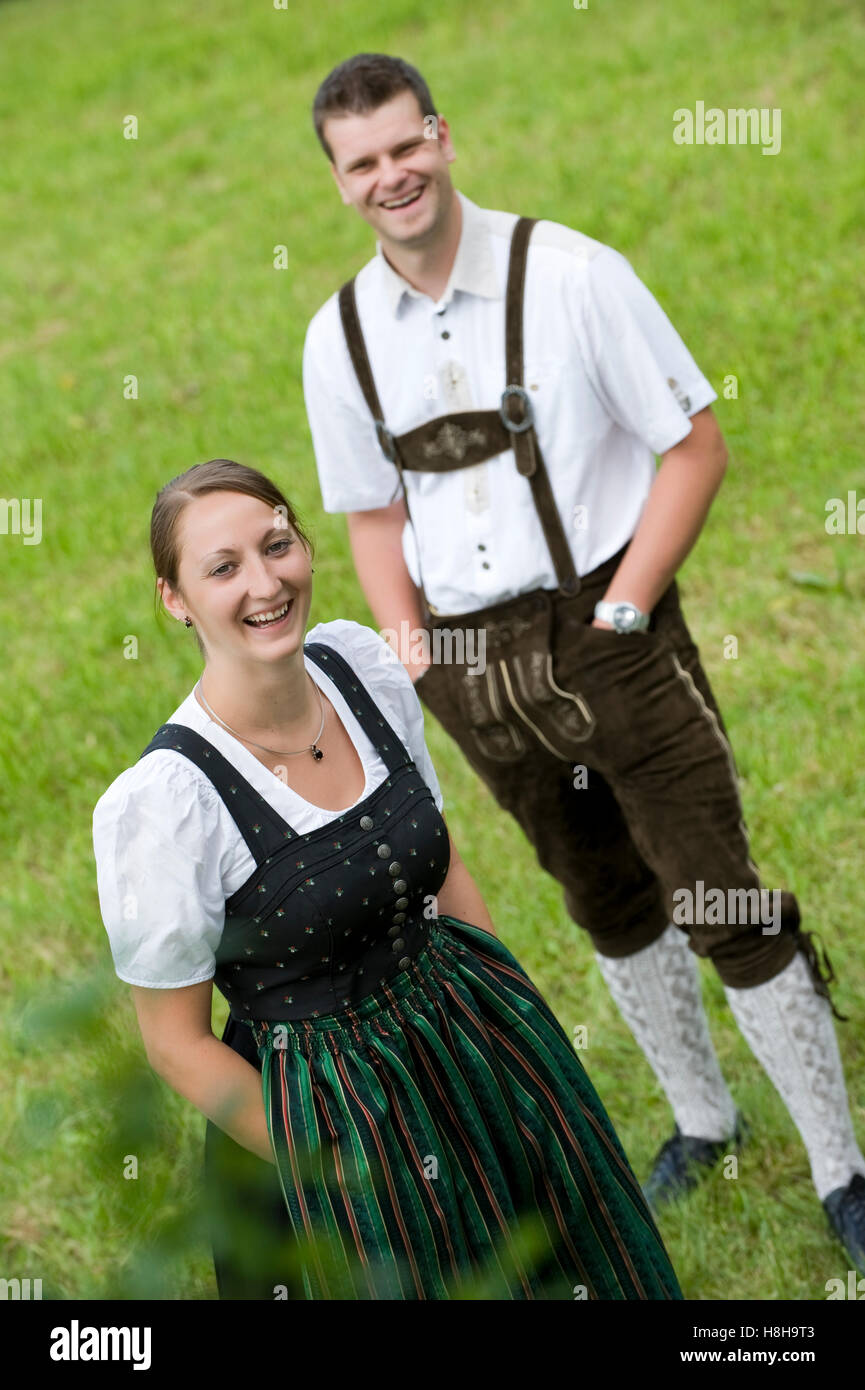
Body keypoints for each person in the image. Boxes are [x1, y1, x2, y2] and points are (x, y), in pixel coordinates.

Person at [300, 52, 865, 1272]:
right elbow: (370, 516)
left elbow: (693, 445)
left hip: (609, 630)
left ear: (442, 138)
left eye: (406, 146)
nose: (391, 176)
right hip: (471, 664)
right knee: (601, 896)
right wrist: (416, 654)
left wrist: (624, 609)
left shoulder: (570, 276)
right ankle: (701, 1118)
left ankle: (840, 1164)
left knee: (713, 888)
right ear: (339, 181)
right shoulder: (339, 338)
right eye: (362, 163)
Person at [91, 457, 683, 1301]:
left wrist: (509, 1023)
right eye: (223, 568)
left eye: (277, 544)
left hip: (467, 1040)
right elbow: (174, 1043)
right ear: (175, 599)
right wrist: (331, 1163)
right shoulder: (166, 803)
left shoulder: (356, 667)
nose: (265, 582)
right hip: (324, 1104)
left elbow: (445, 865)